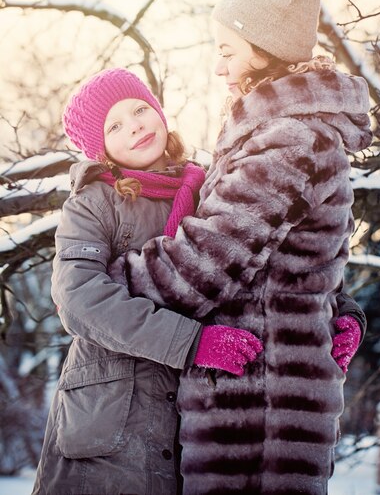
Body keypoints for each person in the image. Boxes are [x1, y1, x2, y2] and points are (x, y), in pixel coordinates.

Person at [108, 0, 372, 495]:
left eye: (227, 50)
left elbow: (205, 263)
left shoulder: (288, 139)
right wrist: (342, 314)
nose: (218, 67)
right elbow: (299, 262)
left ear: (262, 47)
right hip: (260, 386)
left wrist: (108, 278)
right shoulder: (283, 132)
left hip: (259, 411)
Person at [31, 68, 263, 495]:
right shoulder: (93, 202)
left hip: (201, 415)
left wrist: (339, 314)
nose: (135, 125)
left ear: (158, 111)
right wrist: (190, 342)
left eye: (139, 109)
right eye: (114, 125)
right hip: (112, 418)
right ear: (100, 149)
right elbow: (79, 298)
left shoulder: (213, 188)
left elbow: (265, 246)